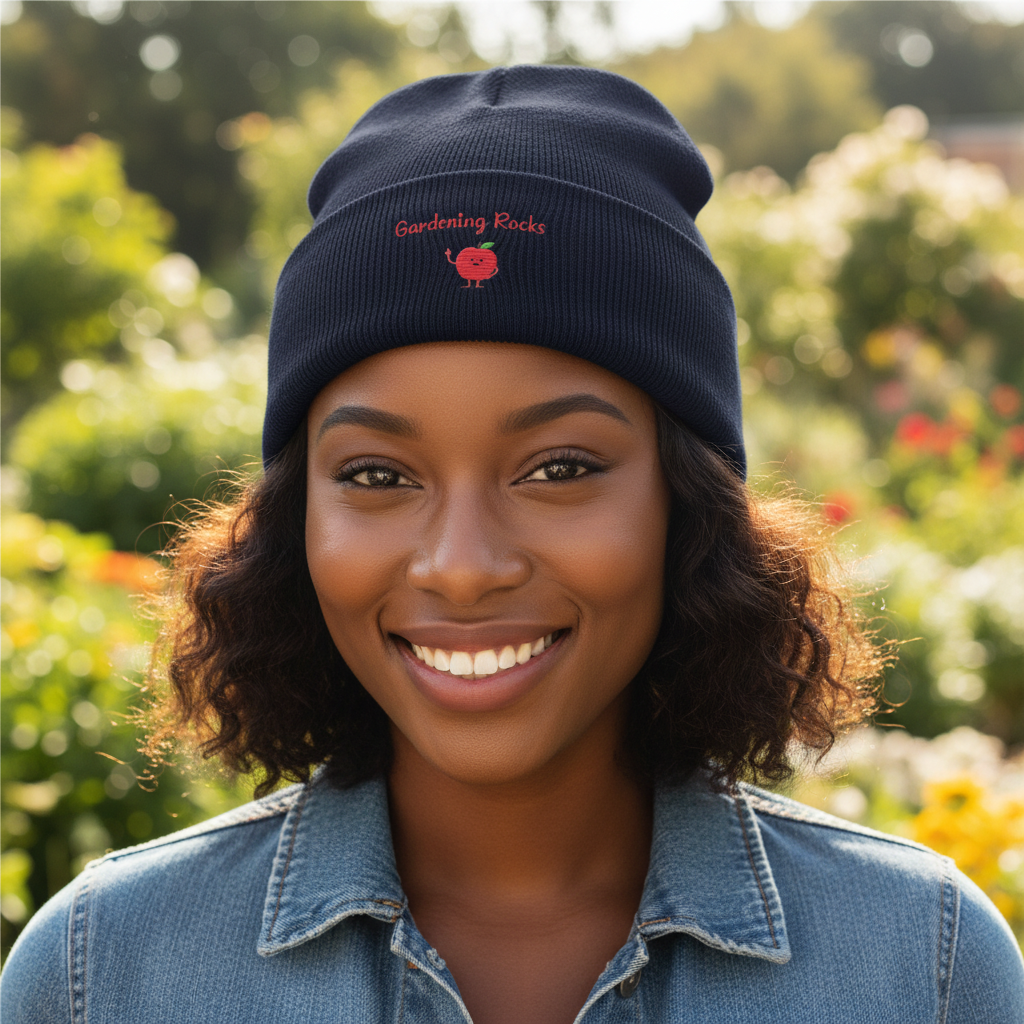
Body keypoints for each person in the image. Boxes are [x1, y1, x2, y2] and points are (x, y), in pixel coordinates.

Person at [2, 65, 1021, 1024]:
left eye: (560, 468)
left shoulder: (920, 967)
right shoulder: (100, 974)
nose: (460, 562)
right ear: (291, 521)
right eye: (374, 475)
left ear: (688, 505)